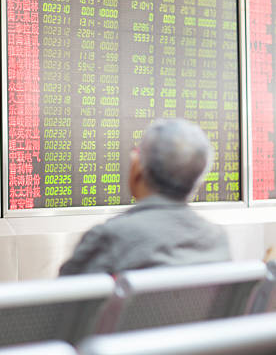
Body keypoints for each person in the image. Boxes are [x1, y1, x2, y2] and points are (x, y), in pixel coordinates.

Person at [59, 118, 230, 276]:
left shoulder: (111, 239)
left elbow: (62, 305)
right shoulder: (217, 240)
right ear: (197, 181)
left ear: (138, 169)